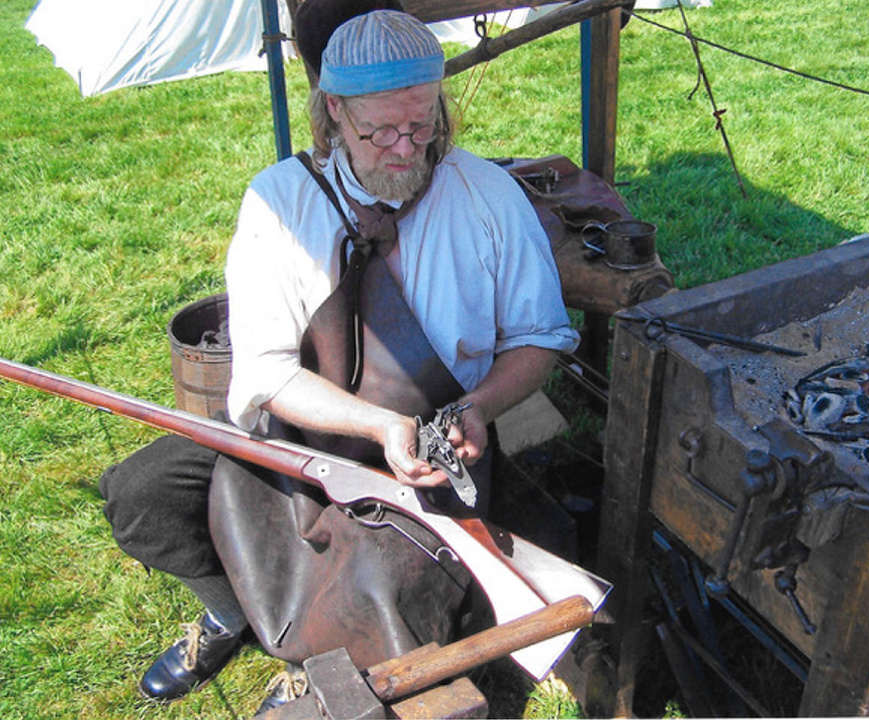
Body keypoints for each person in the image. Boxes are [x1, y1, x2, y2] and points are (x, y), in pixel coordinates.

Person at [99, 4, 579, 714]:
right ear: (332, 113)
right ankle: (235, 610)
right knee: (143, 494)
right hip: (302, 430)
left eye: (419, 124)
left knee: (386, 587)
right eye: (377, 129)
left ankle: (322, 672)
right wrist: (368, 423)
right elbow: (263, 372)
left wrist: (478, 407)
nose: (402, 148)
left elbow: (540, 338)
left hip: (432, 448)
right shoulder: (280, 201)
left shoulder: (488, 198)